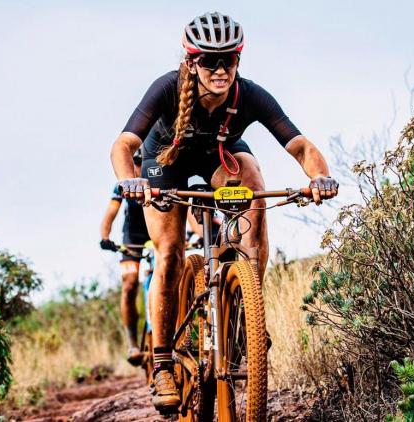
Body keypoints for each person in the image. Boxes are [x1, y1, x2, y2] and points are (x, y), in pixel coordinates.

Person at [110, 12, 339, 411]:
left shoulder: (249, 95)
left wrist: (320, 177)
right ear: (192, 62)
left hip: (220, 155)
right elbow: (123, 145)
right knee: (170, 253)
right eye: (209, 61)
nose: (220, 70)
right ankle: (162, 362)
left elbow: (300, 146)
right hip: (165, 161)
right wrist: (132, 181)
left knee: (254, 184)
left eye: (228, 60)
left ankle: (245, 304)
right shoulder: (166, 88)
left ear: (238, 60)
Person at [99, 149, 149, 366]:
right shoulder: (123, 184)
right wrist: (105, 236)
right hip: (132, 238)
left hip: (158, 234)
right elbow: (111, 212)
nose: (139, 167)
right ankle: (133, 344)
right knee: (129, 284)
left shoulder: (160, 177)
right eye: (135, 162)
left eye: (142, 162)